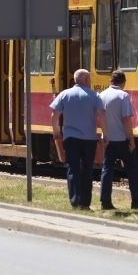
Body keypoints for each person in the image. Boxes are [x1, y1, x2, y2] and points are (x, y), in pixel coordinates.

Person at [50, 69, 107, 210]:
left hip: (70, 139)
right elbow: (102, 115)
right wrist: (105, 135)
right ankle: (85, 203)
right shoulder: (94, 96)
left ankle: (75, 200)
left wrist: (57, 132)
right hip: (89, 139)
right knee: (87, 170)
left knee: (73, 169)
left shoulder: (64, 94)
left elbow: (54, 115)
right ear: (87, 80)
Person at [99, 70, 138, 210]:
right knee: (132, 168)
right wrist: (131, 139)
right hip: (122, 139)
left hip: (108, 139)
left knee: (107, 169)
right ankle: (136, 200)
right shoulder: (123, 96)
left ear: (111, 81)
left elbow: (100, 117)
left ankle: (105, 201)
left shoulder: (102, 95)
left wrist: (104, 135)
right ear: (123, 82)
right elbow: (126, 119)